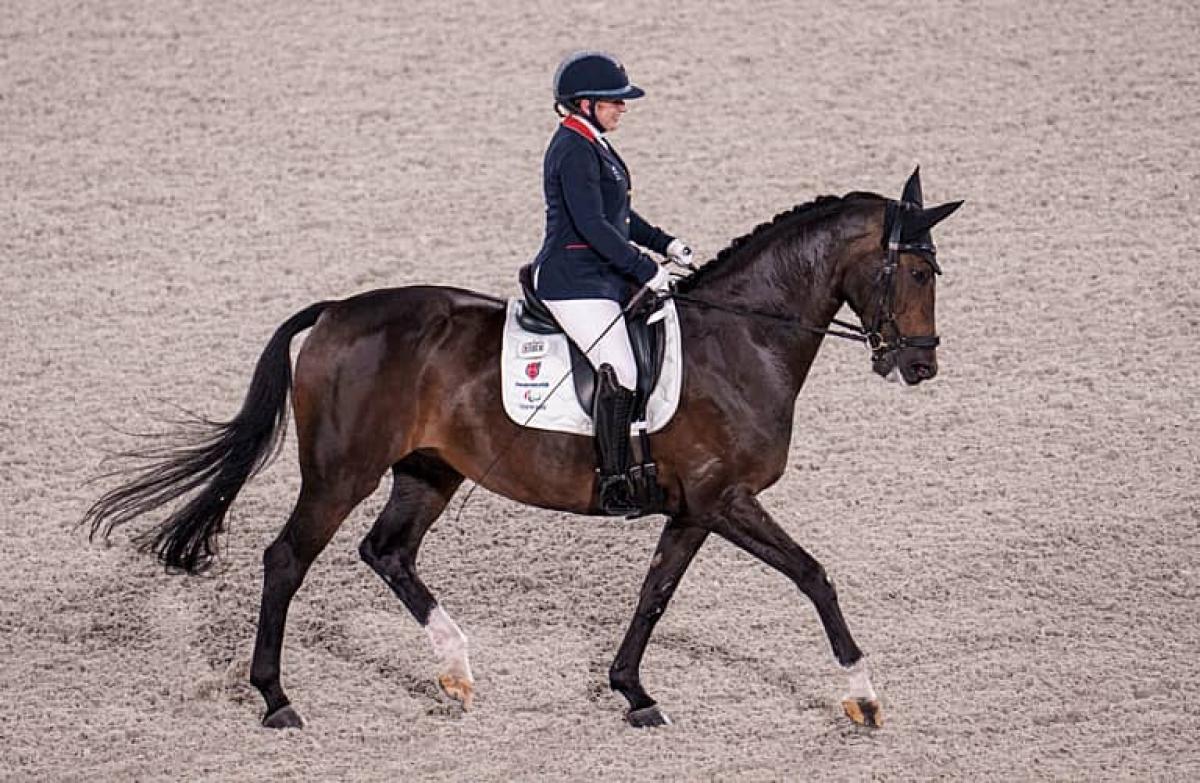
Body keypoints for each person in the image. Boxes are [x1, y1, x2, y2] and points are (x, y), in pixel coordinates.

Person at [531, 50, 693, 514]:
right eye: (613, 100)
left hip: (597, 275)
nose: (623, 107)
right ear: (584, 104)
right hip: (572, 280)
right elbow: (592, 225)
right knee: (620, 369)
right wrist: (644, 267)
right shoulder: (571, 148)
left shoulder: (593, 142)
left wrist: (666, 242)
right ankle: (613, 479)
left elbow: (617, 214)